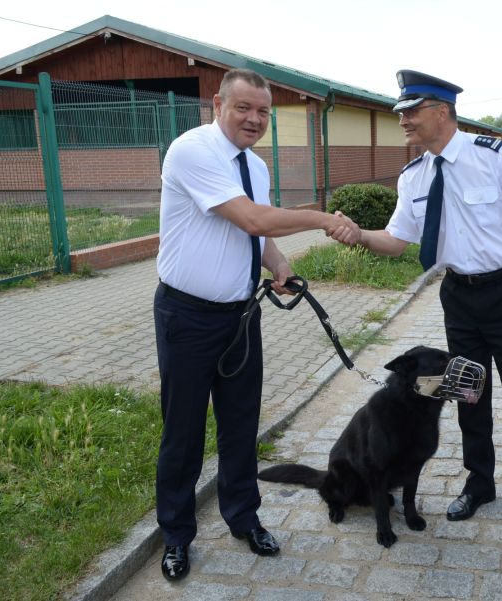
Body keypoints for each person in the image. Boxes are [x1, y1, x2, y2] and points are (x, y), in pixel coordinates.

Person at [154, 68, 357, 581]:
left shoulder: (256, 166)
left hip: (241, 316)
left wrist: (280, 267)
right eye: (243, 107)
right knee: (183, 432)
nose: (254, 119)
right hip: (188, 317)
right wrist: (323, 219)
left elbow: (258, 235)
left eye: (263, 111)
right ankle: (176, 535)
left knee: (242, 428)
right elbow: (252, 219)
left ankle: (244, 518)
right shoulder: (193, 151)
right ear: (217, 102)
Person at [335, 70, 502, 537]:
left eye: (411, 112)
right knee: (467, 395)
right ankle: (479, 485)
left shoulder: (494, 158)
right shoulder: (414, 175)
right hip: (458, 295)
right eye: (400, 113)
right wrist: (359, 235)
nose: (403, 121)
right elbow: (397, 239)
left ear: (441, 111)